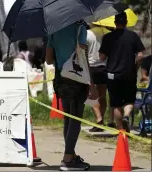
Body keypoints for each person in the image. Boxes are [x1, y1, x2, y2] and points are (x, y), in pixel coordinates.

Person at [46, 20, 96, 171]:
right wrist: (91, 83)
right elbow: (82, 57)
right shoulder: (80, 28)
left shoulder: (53, 30)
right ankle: (67, 159)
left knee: (68, 118)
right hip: (76, 80)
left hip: (61, 79)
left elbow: (48, 60)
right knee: (75, 120)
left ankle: (71, 154)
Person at [99, 12, 145, 132]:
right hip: (129, 73)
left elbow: (102, 57)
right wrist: (136, 67)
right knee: (130, 100)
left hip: (112, 75)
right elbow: (140, 55)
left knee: (116, 103)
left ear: (115, 23)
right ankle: (126, 116)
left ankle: (121, 131)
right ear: (126, 22)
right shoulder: (133, 36)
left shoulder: (108, 37)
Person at [87, 24, 115, 132]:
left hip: (91, 67)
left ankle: (98, 120)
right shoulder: (108, 33)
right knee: (102, 96)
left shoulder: (87, 34)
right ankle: (101, 118)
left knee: (91, 96)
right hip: (105, 67)